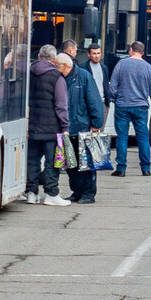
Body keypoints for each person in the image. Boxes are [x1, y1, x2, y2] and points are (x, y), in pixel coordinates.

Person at [107, 41, 151, 176]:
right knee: (143, 138)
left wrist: (114, 99)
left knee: (122, 137)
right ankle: (146, 168)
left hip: (122, 106)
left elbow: (112, 86)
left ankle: (121, 169)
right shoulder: (148, 68)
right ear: (142, 53)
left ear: (130, 50)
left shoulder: (121, 64)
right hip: (141, 107)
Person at [25, 44, 70, 205]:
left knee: (32, 161)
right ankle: (51, 193)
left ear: (39, 56)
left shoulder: (28, 73)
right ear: (54, 59)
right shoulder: (56, 77)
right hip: (52, 128)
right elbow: (61, 105)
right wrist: (65, 126)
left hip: (32, 126)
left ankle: (31, 193)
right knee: (52, 162)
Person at [57, 51, 103, 203]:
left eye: (56, 65)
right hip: (67, 128)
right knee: (71, 164)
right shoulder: (60, 78)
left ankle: (88, 193)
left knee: (86, 163)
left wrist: (96, 124)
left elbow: (94, 100)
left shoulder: (83, 76)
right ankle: (76, 191)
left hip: (82, 127)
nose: (55, 68)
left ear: (64, 66)